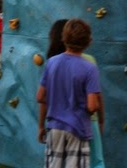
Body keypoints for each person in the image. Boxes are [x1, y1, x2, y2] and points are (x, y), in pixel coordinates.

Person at [37, 18, 102, 168]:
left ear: (63, 38)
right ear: (88, 41)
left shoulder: (51, 62)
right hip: (78, 129)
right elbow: (92, 106)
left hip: (54, 128)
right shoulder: (89, 68)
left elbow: (40, 97)